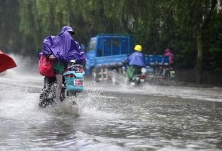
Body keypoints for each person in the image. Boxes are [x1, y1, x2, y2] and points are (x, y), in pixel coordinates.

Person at [40, 25, 86, 103]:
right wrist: (50, 55)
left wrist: (79, 59)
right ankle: (44, 102)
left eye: (71, 34)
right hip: (53, 71)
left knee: (71, 87)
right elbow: (47, 48)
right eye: (68, 33)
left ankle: (70, 102)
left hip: (65, 70)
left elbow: (80, 56)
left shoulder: (74, 44)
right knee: (47, 88)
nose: (69, 35)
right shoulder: (55, 41)